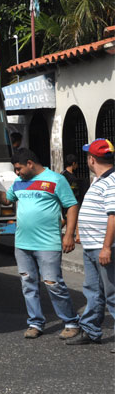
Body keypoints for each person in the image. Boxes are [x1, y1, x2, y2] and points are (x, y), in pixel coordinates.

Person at [0, 148, 80, 339]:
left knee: (53, 283)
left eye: (19, 168)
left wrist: (69, 234)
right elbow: (5, 200)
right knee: (28, 283)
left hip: (48, 243)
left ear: (30, 163)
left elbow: (71, 205)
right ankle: (35, 322)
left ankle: (71, 321)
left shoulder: (56, 180)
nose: (17, 172)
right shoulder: (19, 183)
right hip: (22, 244)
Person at [66, 139, 115, 350]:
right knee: (92, 290)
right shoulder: (99, 179)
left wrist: (106, 247)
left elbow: (113, 217)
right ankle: (91, 330)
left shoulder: (111, 182)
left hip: (103, 248)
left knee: (112, 292)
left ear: (91, 159)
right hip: (91, 246)